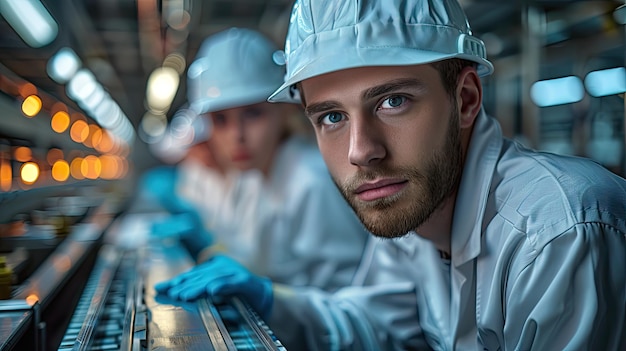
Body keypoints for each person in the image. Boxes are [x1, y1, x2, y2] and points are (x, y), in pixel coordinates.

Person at [155, 1, 626, 350]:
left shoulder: (560, 235)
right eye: (332, 117)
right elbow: (372, 321)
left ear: (464, 100)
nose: (362, 152)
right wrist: (271, 300)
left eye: (392, 101)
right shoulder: (409, 208)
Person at [151, 27, 369, 294]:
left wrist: (271, 300)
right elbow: (253, 259)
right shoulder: (253, 175)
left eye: (253, 114)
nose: (237, 136)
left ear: (285, 110)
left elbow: (348, 298)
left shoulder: (311, 182)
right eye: (221, 120)